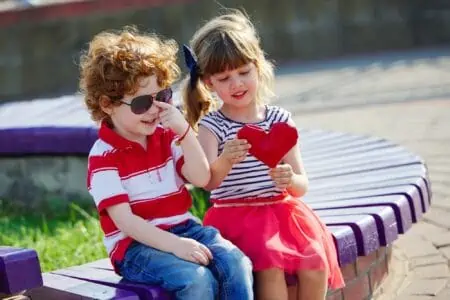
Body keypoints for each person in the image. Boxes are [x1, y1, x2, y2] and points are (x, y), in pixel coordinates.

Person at [79, 27, 253, 300]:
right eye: (141, 103)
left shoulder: (166, 134)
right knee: (196, 280)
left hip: (184, 227)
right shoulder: (104, 156)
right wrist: (175, 246)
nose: (154, 110)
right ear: (107, 104)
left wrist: (184, 132)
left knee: (236, 262)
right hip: (135, 247)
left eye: (162, 97)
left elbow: (200, 177)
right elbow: (125, 221)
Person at [182, 10, 345, 300]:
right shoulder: (212, 126)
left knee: (315, 261)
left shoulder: (280, 120)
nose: (237, 84)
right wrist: (225, 160)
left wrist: (289, 179)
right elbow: (207, 182)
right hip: (237, 215)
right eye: (224, 77)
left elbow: (302, 184)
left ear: (258, 67)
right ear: (209, 83)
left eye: (244, 72)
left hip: (283, 212)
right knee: (270, 265)